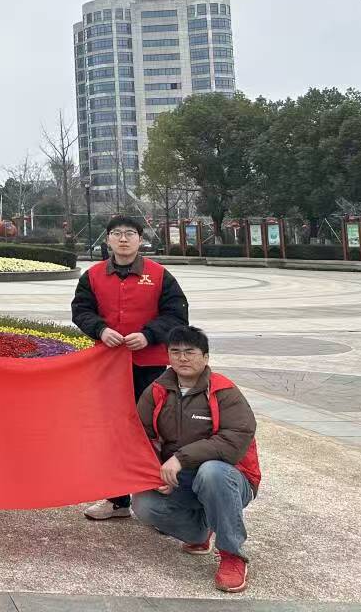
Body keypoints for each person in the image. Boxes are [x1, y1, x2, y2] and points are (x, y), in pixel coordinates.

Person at [72, 213, 189, 520]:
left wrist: (149, 335)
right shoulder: (93, 276)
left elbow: (176, 315)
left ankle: (162, 500)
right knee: (113, 429)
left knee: (155, 428)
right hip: (107, 367)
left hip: (150, 366)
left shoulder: (160, 275)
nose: (123, 239)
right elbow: (80, 311)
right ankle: (117, 500)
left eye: (129, 234)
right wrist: (100, 329)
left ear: (140, 239)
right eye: (117, 233)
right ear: (108, 239)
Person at [132, 326, 261, 594]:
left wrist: (180, 459)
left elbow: (235, 440)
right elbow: (139, 437)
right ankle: (200, 533)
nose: (182, 358)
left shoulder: (224, 391)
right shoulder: (157, 391)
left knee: (212, 473)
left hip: (230, 478)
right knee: (143, 504)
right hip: (182, 478)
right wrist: (156, 472)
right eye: (175, 352)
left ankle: (232, 555)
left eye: (190, 352)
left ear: (205, 357)